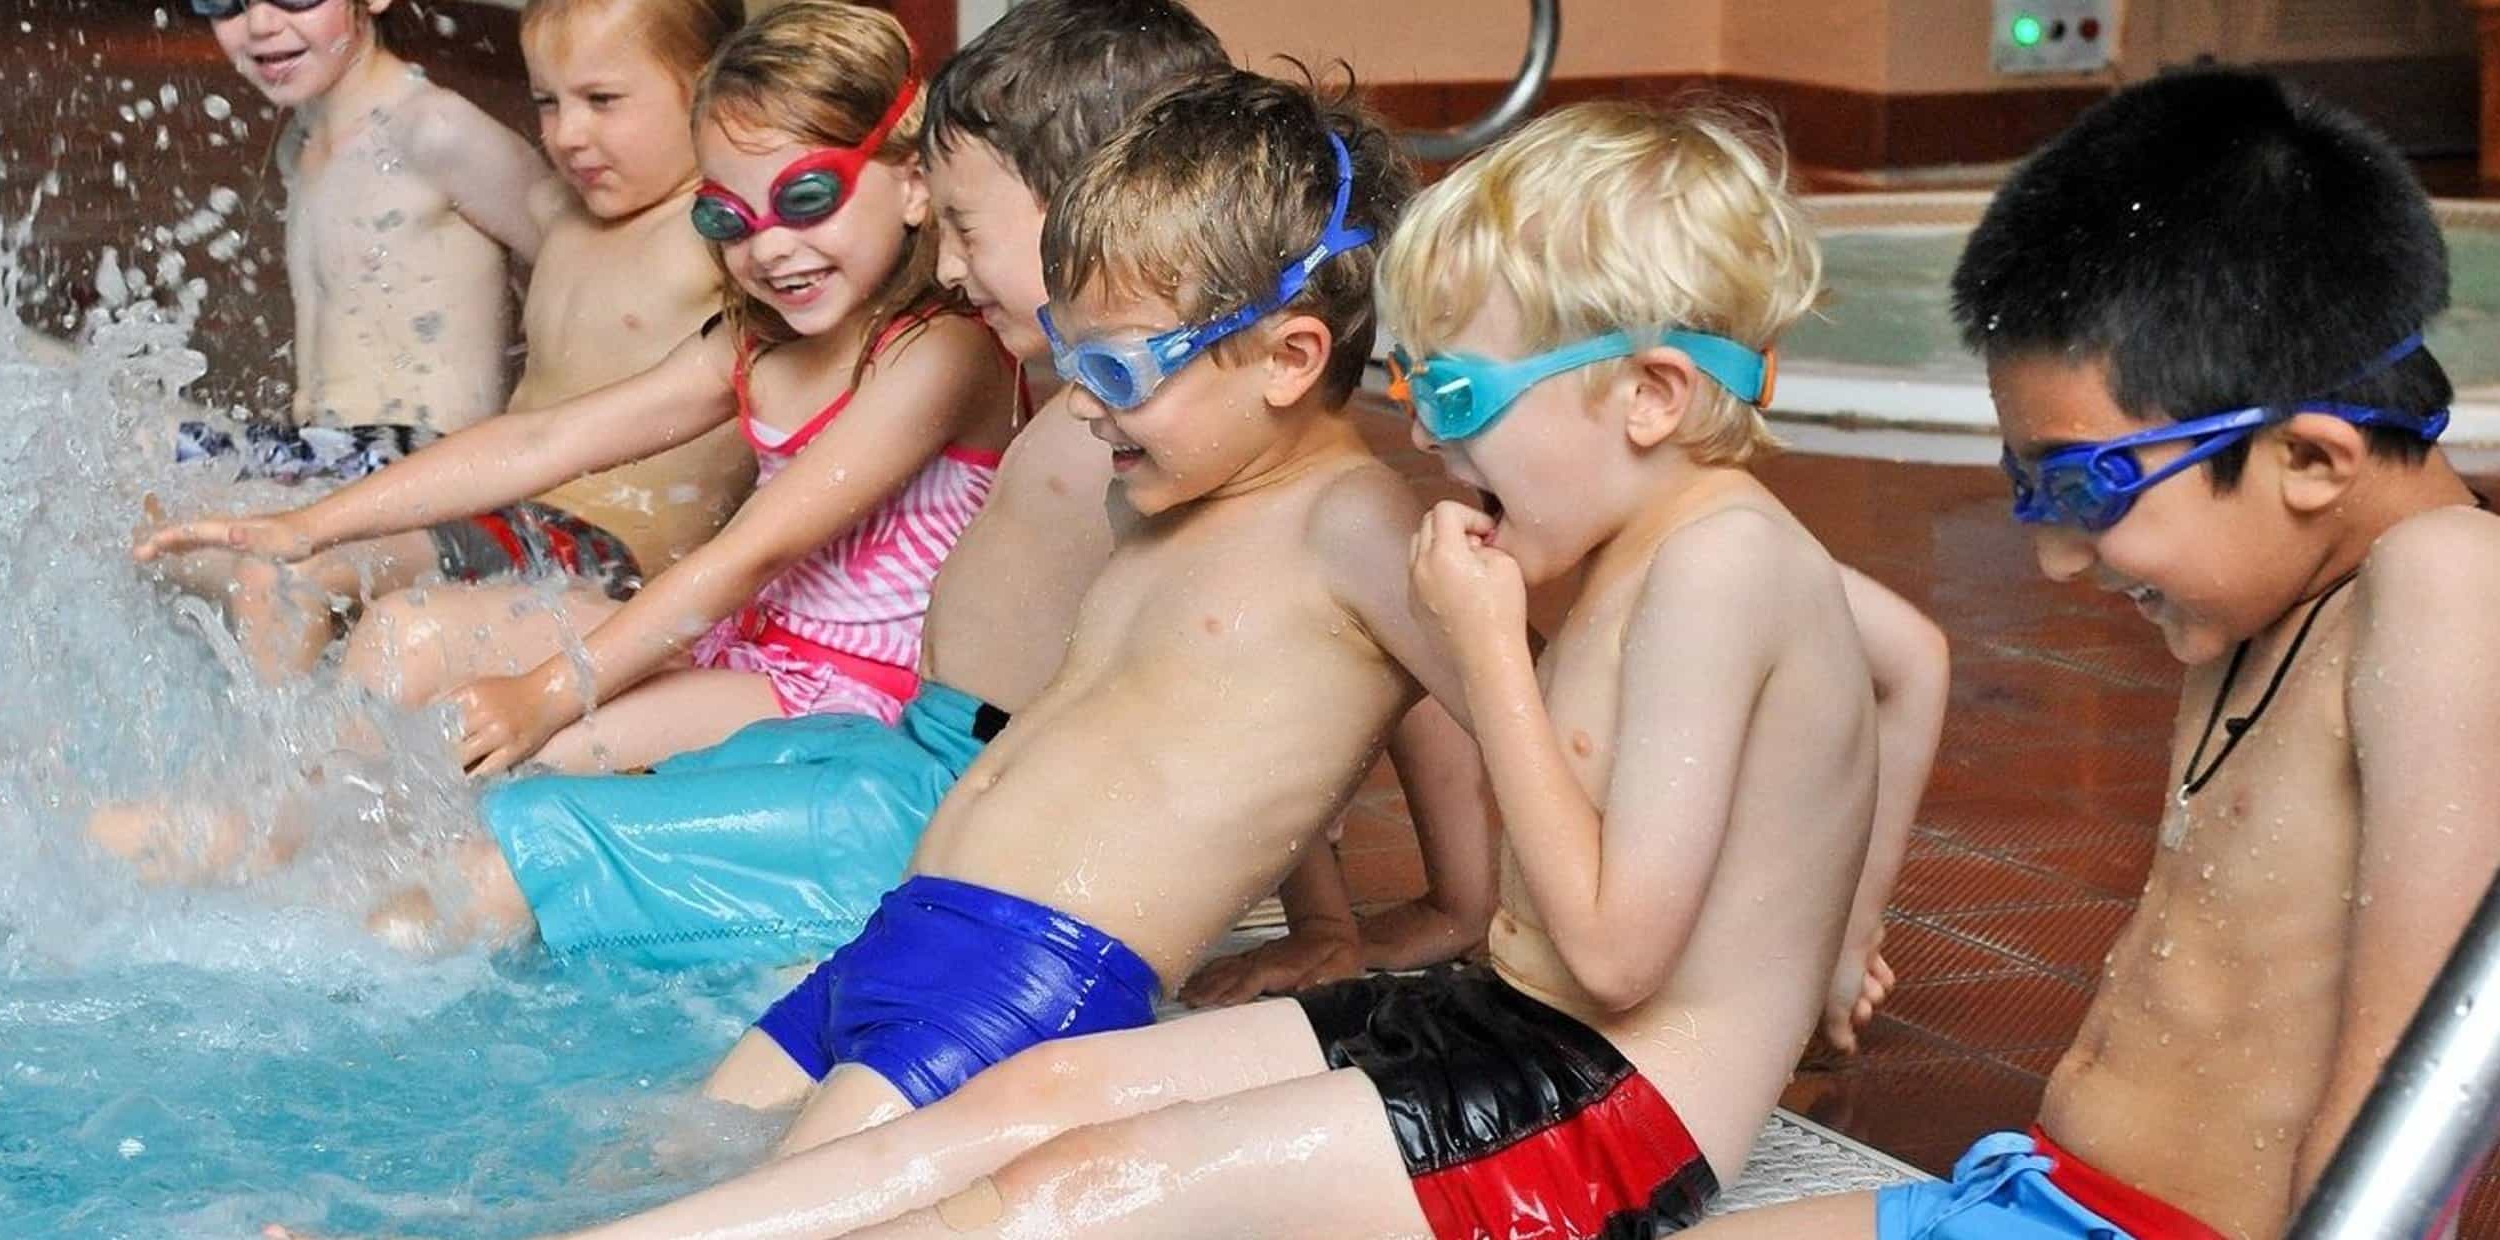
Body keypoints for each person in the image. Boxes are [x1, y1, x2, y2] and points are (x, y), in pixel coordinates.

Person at [545, 94, 1874, 1240]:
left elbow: (1615, 952)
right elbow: (1902, 670)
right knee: (1035, 1104)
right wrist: (1836, 937)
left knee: (1082, 1185)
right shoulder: (1682, 547)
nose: (1437, 449)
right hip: (1503, 1022)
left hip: (1606, 1108)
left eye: (1458, 401)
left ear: (1647, 394)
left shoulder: (1719, 560)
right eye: (1417, 394)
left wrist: (1484, 651)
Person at [375, 0, 1495, 988]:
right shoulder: (1120, 421)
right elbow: (1236, 674)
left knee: (505, 859)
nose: (948, 267)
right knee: (514, 814)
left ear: (1103, 208)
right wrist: (1331, 916)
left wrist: (1441, 904)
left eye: (965, 225)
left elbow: (1376, 658)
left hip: (951, 812)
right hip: (910, 759)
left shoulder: (1145, 441)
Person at [1691, 69, 2500, 1240]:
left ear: (2312, 460)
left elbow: (2416, 1077)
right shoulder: (2272, 591)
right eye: (2028, 489)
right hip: (2041, 1193)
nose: (2061, 559)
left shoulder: (2455, 581)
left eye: (2083, 487)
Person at [136, 3, 1018, 784]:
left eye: (808, 196)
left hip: (846, 691)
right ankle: (279, 843)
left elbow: (745, 554)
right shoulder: (755, 340)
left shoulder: (940, 355)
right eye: (728, 217)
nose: (773, 247)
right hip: (741, 644)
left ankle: (301, 871)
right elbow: (541, 442)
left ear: (911, 182)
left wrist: (547, 695)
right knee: (406, 642)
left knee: (513, 759)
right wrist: (311, 526)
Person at [159, 0, 554, 679]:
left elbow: (582, 264)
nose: (258, 26)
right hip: (323, 456)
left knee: (268, 576)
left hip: (415, 468)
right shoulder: (301, 142)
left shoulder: (437, 131)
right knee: (112, 473)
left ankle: (276, 776)